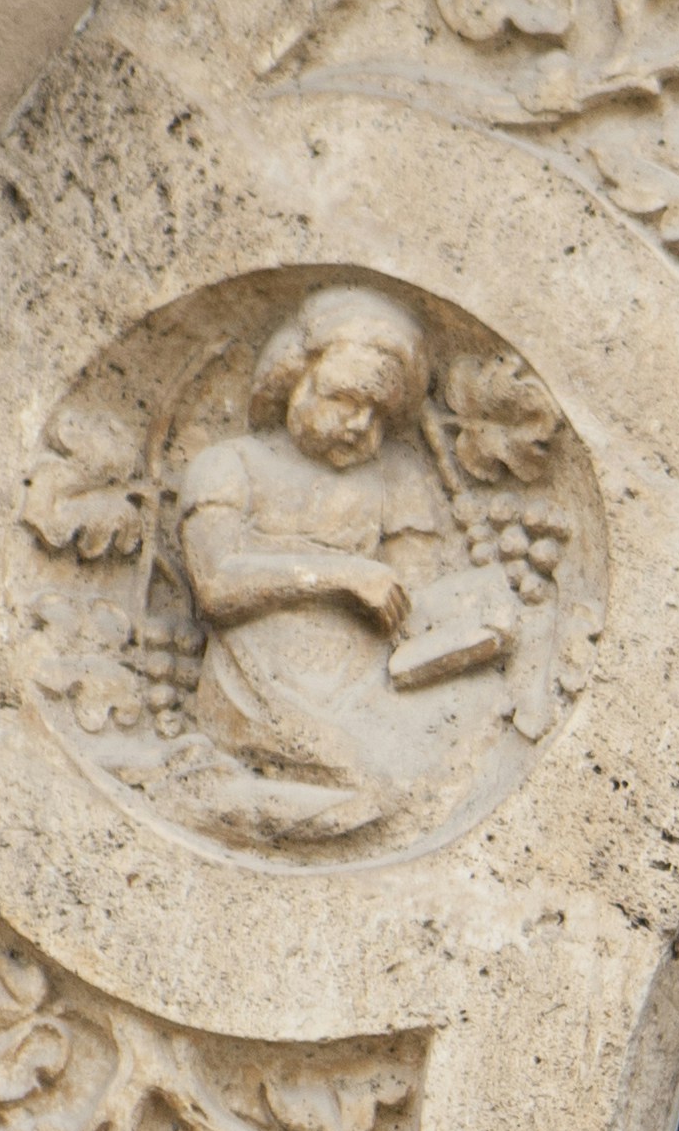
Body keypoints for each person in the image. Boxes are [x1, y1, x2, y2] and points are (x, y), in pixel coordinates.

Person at [176, 285, 505, 843]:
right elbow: (215, 584)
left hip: (366, 684)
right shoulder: (229, 465)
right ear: (290, 378)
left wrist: (474, 616)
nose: (359, 425)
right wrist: (344, 576)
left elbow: (417, 594)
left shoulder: (395, 478)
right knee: (374, 783)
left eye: (378, 412)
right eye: (344, 399)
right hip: (260, 687)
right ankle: (224, 797)